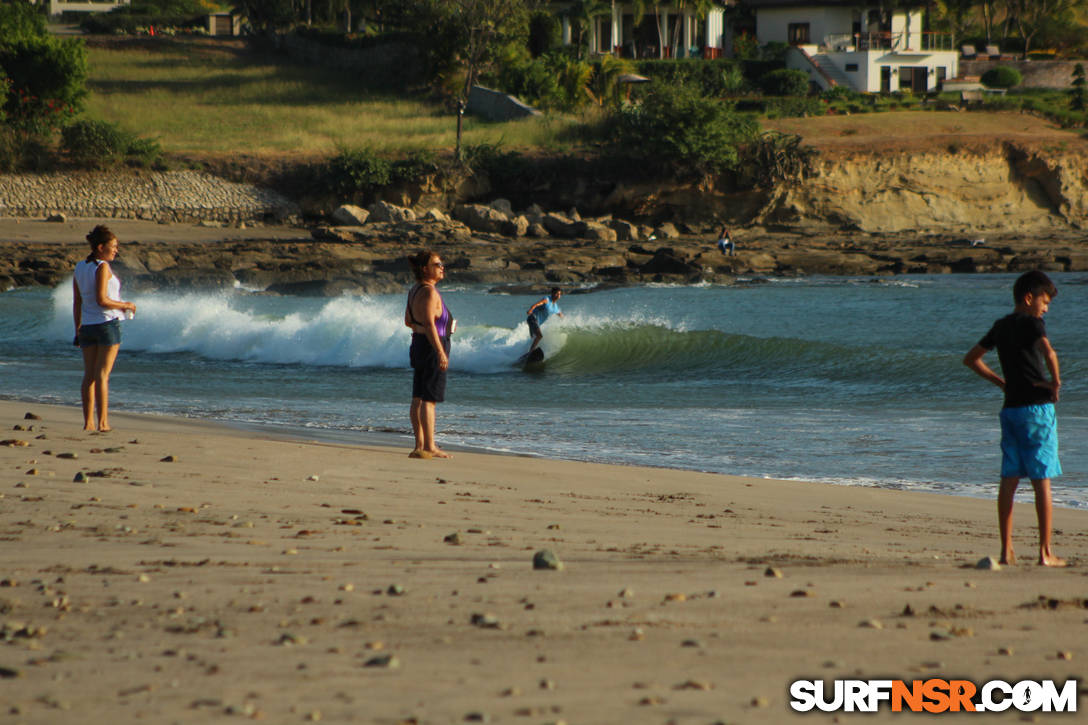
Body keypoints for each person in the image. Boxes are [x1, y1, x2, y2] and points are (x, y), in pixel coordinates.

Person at [963, 270, 1064, 567]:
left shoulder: (1000, 325)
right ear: (1029, 298)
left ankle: (1006, 550)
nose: (1045, 308)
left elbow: (971, 359)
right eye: (1045, 302)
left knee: (1009, 478)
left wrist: (1001, 382)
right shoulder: (1034, 323)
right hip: (1037, 409)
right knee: (1041, 479)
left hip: (1010, 410)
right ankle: (1045, 552)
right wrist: (1055, 383)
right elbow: (1049, 352)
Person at [72, 225, 137, 433]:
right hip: (107, 324)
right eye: (113, 246)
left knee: (89, 375)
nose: (116, 250)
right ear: (101, 247)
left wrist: (77, 329)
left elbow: (77, 302)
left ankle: (88, 422)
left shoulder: (80, 267)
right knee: (102, 375)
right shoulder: (102, 267)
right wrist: (126, 305)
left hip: (87, 327)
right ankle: (102, 423)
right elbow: (102, 300)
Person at [405, 250, 454, 459]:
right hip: (431, 346)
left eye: (442, 264)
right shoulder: (429, 292)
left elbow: (409, 320)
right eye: (437, 264)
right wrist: (441, 352)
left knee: (418, 396)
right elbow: (429, 324)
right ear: (424, 268)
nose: (442, 267)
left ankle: (420, 445)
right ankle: (429, 446)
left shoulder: (415, 290)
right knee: (428, 399)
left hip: (419, 344)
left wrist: (422, 331)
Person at [526, 287, 563, 354]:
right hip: (532, 318)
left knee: (533, 337)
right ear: (552, 293)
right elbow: (536, 304)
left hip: (536, 322)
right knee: (539, 336)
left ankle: (528, 352)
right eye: (556, 293)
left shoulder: (556, 307)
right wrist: (531, 310)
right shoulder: (547, 299)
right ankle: (530, 352)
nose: (558, 295)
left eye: (559, 294)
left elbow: (560, 315)